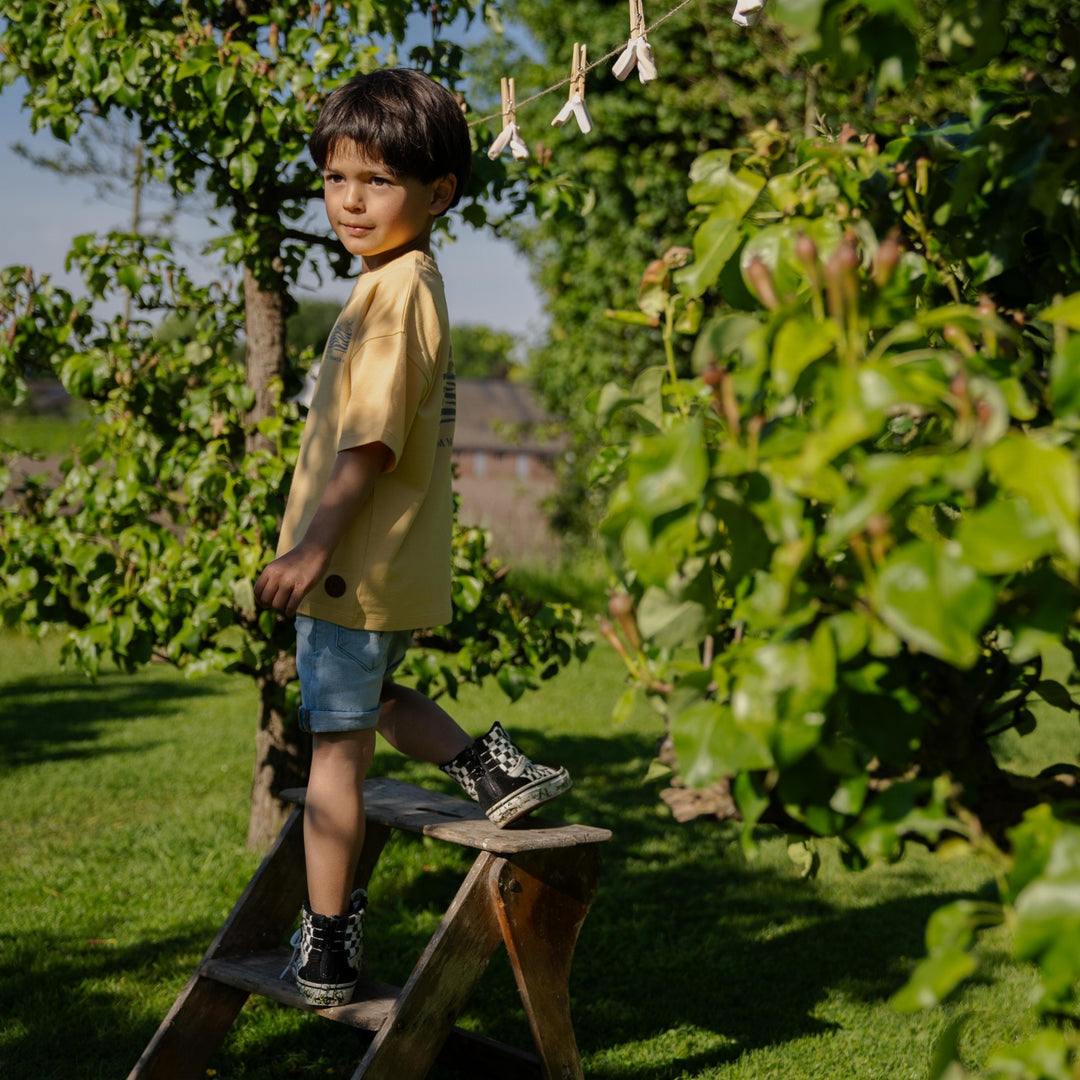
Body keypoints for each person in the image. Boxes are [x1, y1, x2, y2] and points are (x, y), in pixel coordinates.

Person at [253, 68, 571, 1009]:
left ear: (439, 194)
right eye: (337, 177)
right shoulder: (399, 283)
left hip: (349, 570)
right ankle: (492, 770)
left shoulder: (396, 297)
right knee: (376, 697)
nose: (351, 200)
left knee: (333, 766)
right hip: (377, 571)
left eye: (378, 181)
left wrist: (310, 550)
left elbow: (374, 439)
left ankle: (330, 946)